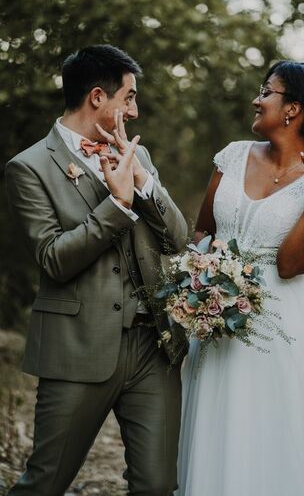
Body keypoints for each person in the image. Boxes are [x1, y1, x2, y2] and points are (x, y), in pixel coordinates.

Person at [6, 44, 188, 496]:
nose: (135, 109)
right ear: (96, 98)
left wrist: (143, 185)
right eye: (129, 97)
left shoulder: (137, 157)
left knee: (158, 485)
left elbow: (178, 239)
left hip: (153, 345)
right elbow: (53, 258)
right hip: (77, 346)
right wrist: (118, 204)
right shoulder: (28, 167)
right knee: (45, 482)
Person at [176, 60, 304, 496]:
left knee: (275, 424)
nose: (256, 100)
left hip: (284, 321)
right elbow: (203, 231)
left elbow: (291, 266)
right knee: (218, 421)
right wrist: (201, 278)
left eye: (266, 91)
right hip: (217, 311)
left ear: (293, 108)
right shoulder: (234, 155)